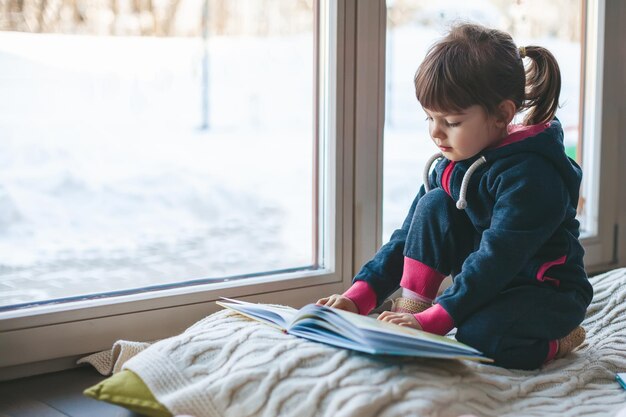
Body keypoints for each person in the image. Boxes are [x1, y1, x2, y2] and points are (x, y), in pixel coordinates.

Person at [316, 23, 593, 370]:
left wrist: (439, 319)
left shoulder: (533, 178)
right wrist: (359, 296)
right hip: (493, 285)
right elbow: (407, 238)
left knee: (479, 336)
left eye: (451, 120)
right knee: (433, 205)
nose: (435, 132)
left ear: (503, 114)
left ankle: (561, 338)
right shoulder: (454, 162)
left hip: (546, 291)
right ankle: (409, 311)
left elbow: (496, 261)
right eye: (430, 118)